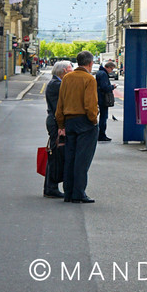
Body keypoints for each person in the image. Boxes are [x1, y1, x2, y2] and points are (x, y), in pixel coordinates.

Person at [56, 50, 99, 203]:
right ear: (90, 63)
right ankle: (79, 193)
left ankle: (68, 192)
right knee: (83, 159)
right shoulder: (89, 79)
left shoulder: (67, 78)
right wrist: (93, 120)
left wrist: (61, 123)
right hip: (85, 122)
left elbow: (60, 103)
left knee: (70, 158)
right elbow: (90, 105)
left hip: (69, 121)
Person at [43, 61, 72, 198]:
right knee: (56, 155)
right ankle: (51, 187)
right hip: (55, 122)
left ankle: (51, 186)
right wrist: (62, 126)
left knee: (56, 154)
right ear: (64, 71)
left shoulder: (55, 83)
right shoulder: (57, 84)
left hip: (54, 121)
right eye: (70, 68)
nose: (72, 71)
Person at [95, 60, 117, 142]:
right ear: (109, 67)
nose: (111, 71)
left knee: (102, 116)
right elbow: (105, 87)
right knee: (104, 117)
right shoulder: (103, 74)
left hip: (99, 97)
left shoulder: (99, 72)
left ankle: (100, 134)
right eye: (111, 69)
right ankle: (101, 135)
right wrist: (112, 87)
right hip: (103, 98)